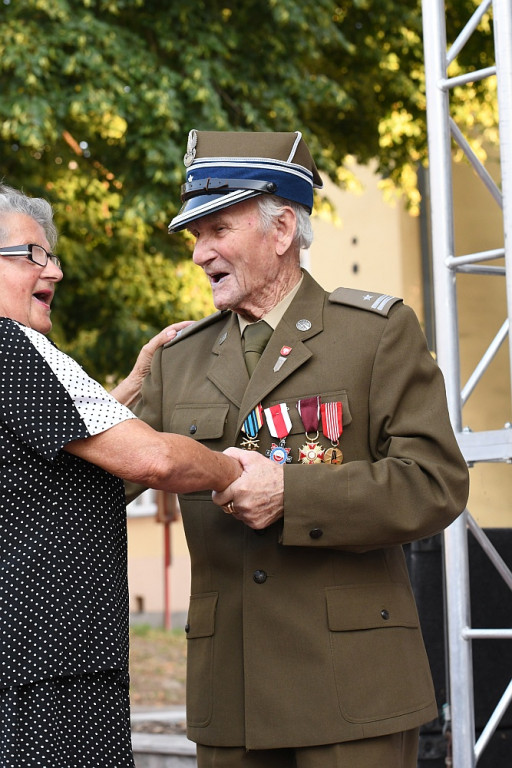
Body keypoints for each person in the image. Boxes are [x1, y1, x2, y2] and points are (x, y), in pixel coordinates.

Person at [130, 130, 470, 768]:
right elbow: (101, 477)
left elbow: (435, 483)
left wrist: (292, 494)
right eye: (195, 236)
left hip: (351, 690)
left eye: (216, 230)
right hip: (231, 697)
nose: (199, 253)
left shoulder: (375, 333)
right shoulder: (177, 358)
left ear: (281, 227)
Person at [0, 183, 242, 768]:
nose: (53, 269)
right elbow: (151, 460)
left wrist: (135, 383)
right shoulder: (13, 347)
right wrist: (237, 470)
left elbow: (54, 454)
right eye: (33, 254)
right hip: (52, 667)